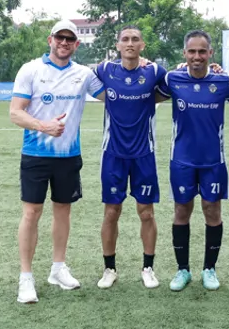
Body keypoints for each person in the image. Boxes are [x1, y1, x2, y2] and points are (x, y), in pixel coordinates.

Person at [9, 19, 105, 304]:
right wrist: (43, 126)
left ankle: (58, 268)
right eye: (59, 37)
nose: (64, 43)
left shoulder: (84, 74)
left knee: (63, 211)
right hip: (36, 155)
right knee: (31, 213)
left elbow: (113, 92)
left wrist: (141, 65)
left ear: (77, 44)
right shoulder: (30, 70)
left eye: (69, 39)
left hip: (68, 156)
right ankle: (26, 277)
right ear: (50, 40)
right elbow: (15, 112)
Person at [154, 30, 229, 292]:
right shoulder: (172, 78)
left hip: (213, 162)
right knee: (181, 211)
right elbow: (148, 96)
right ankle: (182, 269)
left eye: (202, 51)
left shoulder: (223, 81)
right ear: (184, 53)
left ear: (210, 53)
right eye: (192, 51)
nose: (197, 56)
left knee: (212, 211)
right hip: (181, 160)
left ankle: (209, 269)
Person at [93, 24, 167, 290]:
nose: (130, 43)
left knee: (146, 213)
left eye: (135, 39)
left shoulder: (154, 71)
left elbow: (180, 79)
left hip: (143, 154)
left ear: (142, 45)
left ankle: (148, 268)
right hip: (113, 154)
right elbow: (79, 75)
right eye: (125, 39)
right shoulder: (105, 69)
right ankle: (109, 269)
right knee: (111, 212)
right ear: (118, 45)